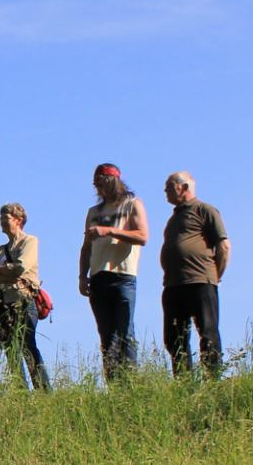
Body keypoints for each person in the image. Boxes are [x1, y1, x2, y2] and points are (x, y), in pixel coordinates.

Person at [77, 163, 149, 381]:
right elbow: (86, 247)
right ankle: (114, 384)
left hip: (123, 277)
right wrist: (82, 276)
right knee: (107, 336)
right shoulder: (93, 212)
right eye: (95, 184)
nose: (97, 188)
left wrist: (109, 231)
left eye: (100, 182)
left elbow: (142, 236)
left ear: (112, 180)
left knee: (125, 332)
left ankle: (131, 383)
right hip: (98, 278)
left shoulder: (131, 204)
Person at [159, 171, 231, 377]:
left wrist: (215, 276)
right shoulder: (174, 218)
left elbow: (224, 246)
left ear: (183, 187)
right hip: (173, 284)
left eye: (169, 185)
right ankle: (184, 382)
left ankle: (213, 377)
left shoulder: (205, 210)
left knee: (207, 332)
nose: (165, 191)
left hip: (201, 280)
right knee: (174, 337)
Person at [0, 202, 52, 390]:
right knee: (9, 348)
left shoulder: (29, 241)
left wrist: (0, 271)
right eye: (1, 218)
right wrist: (3, 271)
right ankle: (20, 390)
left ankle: (43, 389)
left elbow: (21, 267)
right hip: (3, 303)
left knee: (27, 345)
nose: (1, 222)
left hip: (23, 300)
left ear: (18, 219)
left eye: (5, 217)